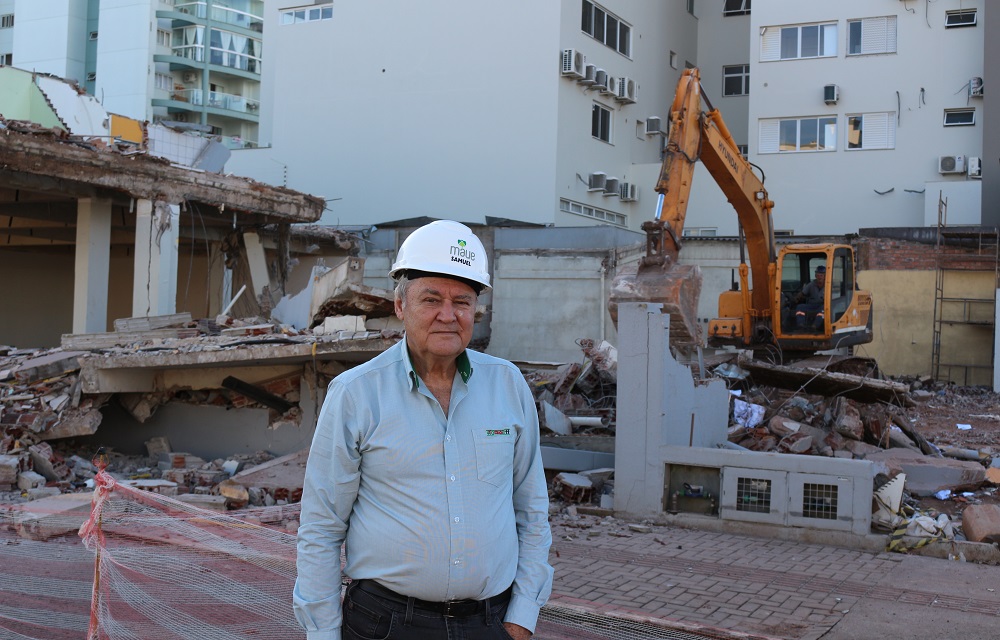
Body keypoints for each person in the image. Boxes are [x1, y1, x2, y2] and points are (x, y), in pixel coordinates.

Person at [294, 219, 553, 640]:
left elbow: (532, 510)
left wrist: (522, 617)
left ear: (476, 310)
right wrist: (323, 633)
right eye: (431, 299)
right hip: (386, 624)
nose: (448, 316)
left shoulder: (508, 385)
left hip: (491, 623)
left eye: (462, 302)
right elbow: (322, 527)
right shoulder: (357, 394)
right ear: (400, 306)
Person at [795, 264, 826, 331]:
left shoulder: (829, 285)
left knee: (824, 309)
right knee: (800, 307)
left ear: (825, 276)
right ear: (815, 276)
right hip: (812, 305)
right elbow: (802, 293)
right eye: (817, 275)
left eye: (821, 275)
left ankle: (814, 326)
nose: (819, 277)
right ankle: (801, 325)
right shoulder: (811, 284)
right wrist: (797, 297)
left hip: (822, 305)